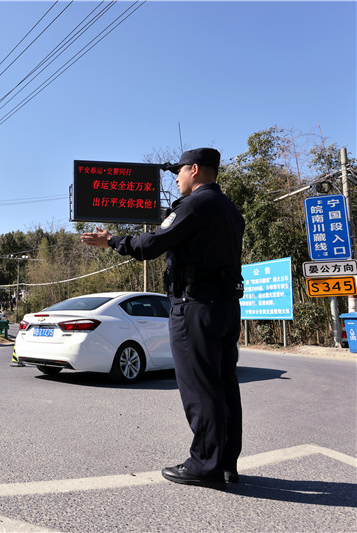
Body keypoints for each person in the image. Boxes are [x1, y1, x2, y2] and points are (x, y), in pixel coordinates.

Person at [81, 147, 245, 490]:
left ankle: (204, 465)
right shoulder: (230, 208)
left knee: (200, 386)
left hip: (195, 305)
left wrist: (112, 240)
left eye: (179, 171)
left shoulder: (197, 205)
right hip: (226, 306)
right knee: (224, 385)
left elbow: (153, 244)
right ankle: (225, 463)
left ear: (195, 170)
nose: (176, 178)